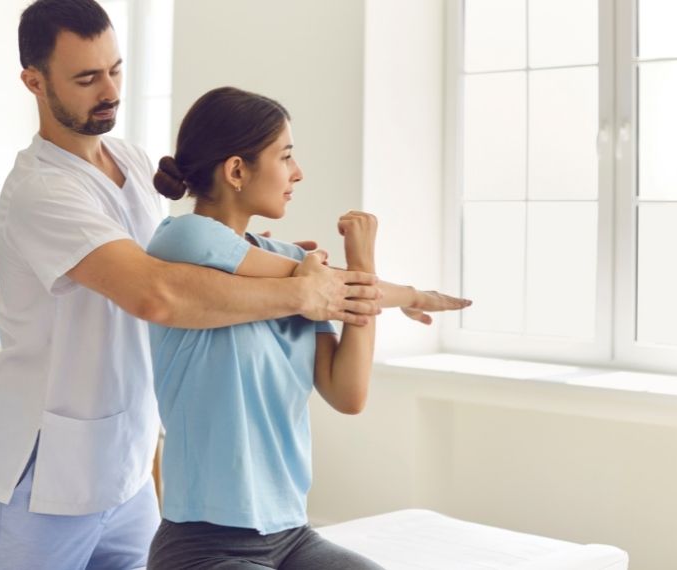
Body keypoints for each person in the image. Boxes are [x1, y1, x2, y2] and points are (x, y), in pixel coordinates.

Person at [0, 2, 385, 569]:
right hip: (36, 475)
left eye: (115, 69)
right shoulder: (42, 190)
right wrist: (301, 291)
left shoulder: (132, 163)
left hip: (127, 472)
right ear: (33, 82)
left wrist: (271, 260)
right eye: (86, 78)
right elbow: (156, 292)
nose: (109, 89)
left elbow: (197, 261)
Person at [144, 87, 471, 569]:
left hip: (291, 536)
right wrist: (379, 288)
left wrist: (367, 267)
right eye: (286, 156)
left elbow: (348, 394)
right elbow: (328, 284)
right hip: (204, 543)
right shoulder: (181, 237)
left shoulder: (300, 270)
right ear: (236, 170)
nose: (297, 173)